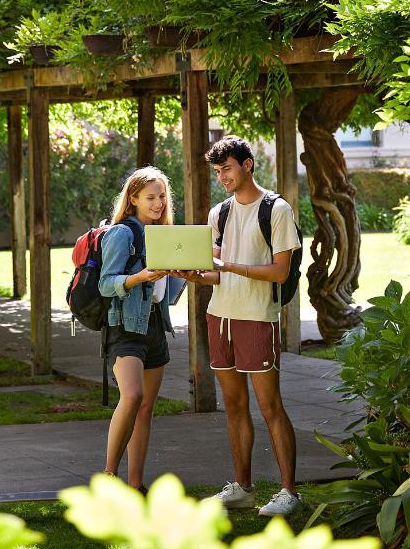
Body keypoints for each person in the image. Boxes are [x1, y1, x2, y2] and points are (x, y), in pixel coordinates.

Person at [180, 135, 303, 517]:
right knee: (233, 405)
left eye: (227, 169)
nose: (223, 177)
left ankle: (289, 493)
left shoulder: (276, 210)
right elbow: (214, 273)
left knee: (269, 406)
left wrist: (230, 266)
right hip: (221, 317)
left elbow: (280, 271)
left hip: (257, 319)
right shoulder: (220, 213)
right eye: (218, 172)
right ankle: (242, 488)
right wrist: (191, 274)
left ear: (248, 164)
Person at [98, 167, 185, 492]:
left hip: (154, 327)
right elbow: (107, 285)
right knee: (132, 397)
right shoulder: (122, 233)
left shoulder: (164, 234)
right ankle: (110, 476)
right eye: (150, 197)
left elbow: (166, 289)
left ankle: (135, 485)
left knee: (146, 407)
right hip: (124, 327)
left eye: (162, 196)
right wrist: (140, 277)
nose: (159, 203)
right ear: (132, 199)